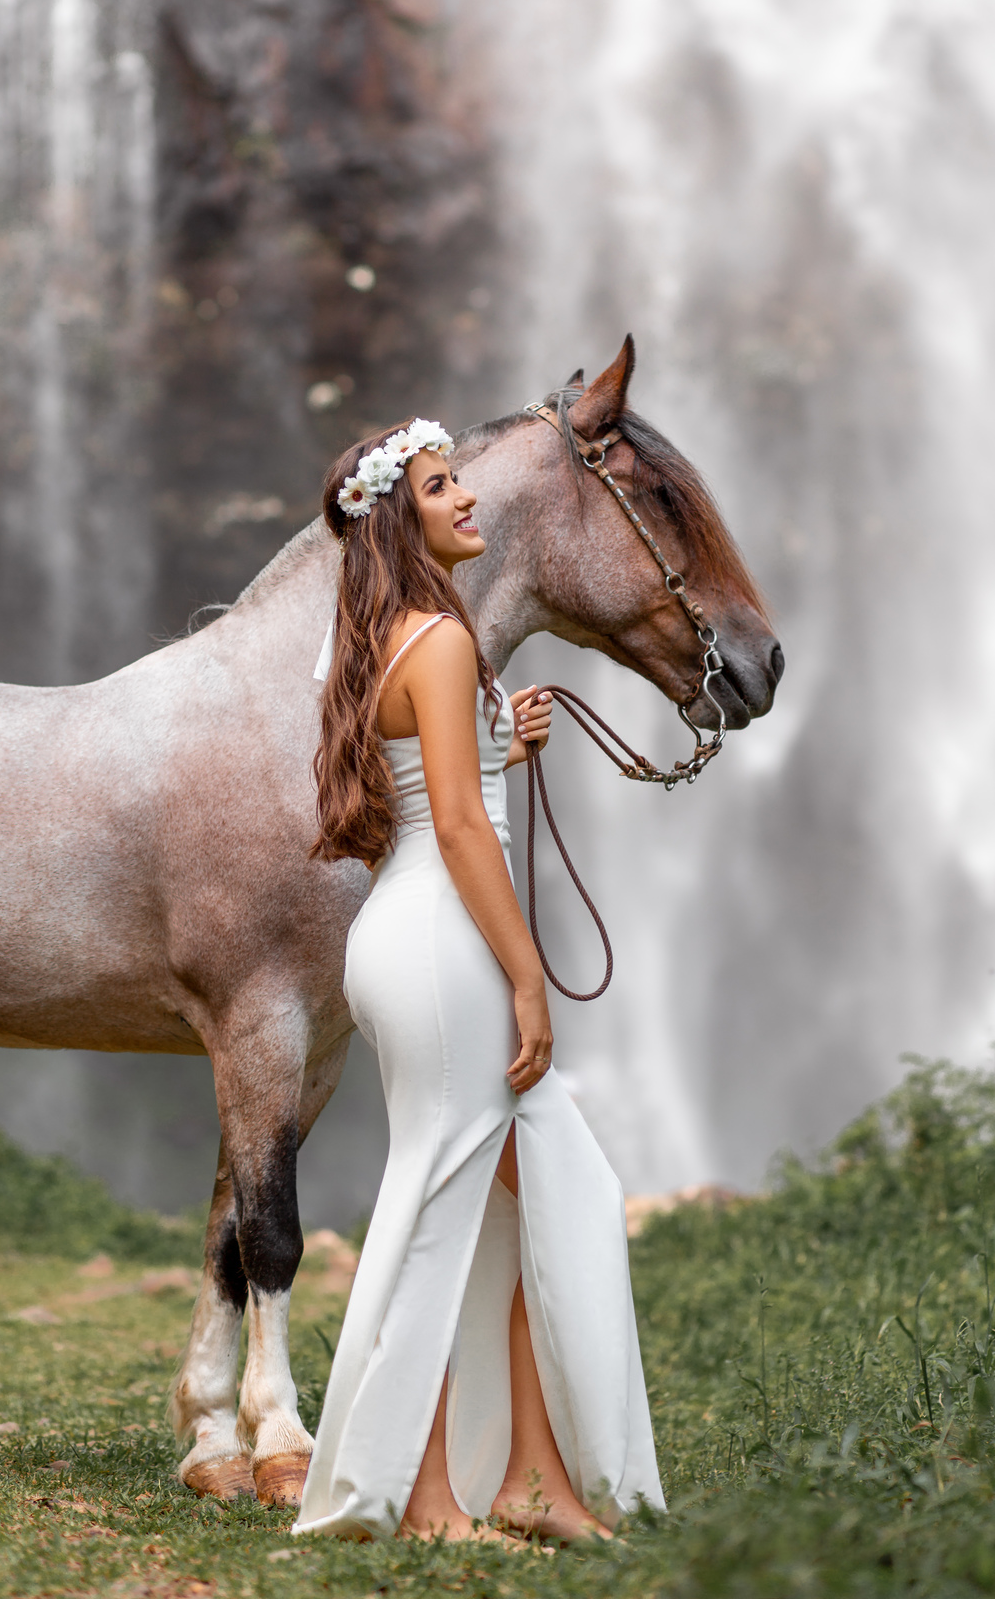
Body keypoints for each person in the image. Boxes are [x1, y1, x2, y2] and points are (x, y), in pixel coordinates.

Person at [292, 417, 664, 1544]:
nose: (467, 499)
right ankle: (416, 1495)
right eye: (440, 487)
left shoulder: (385, 639)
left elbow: (426, 785)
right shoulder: (444, 641)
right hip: (444, 941)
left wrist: (504, 744)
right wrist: (528, 976)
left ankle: (530, 1483)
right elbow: (456, 827)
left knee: (533, 1197)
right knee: (446, 1210)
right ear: (397, 521)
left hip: (406, 934)